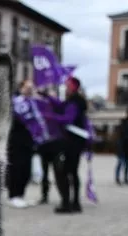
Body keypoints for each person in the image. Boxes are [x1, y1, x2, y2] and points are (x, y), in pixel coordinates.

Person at [53, 77, 89, 214]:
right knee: (73, 172)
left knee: (65, 172)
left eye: (68, 85)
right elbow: (60, 105)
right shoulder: (74, 101)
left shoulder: (75, 102)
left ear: (74, 87)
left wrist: (50, 116)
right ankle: (75, 203)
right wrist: (47, 97)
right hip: (76, 141)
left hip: (72, 142)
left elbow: (68, 118)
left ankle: (66, 203)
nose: (65, 87)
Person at [6, 80, 38, 208]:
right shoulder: (15, 102)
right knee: (16, 169)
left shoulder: (33, 103)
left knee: (26, 170)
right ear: (21, 88)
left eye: (31, 87)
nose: (30, 89)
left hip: (28, 141)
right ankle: (13, 195)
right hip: (16, 140)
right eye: (27, 87)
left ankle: (21, 195)